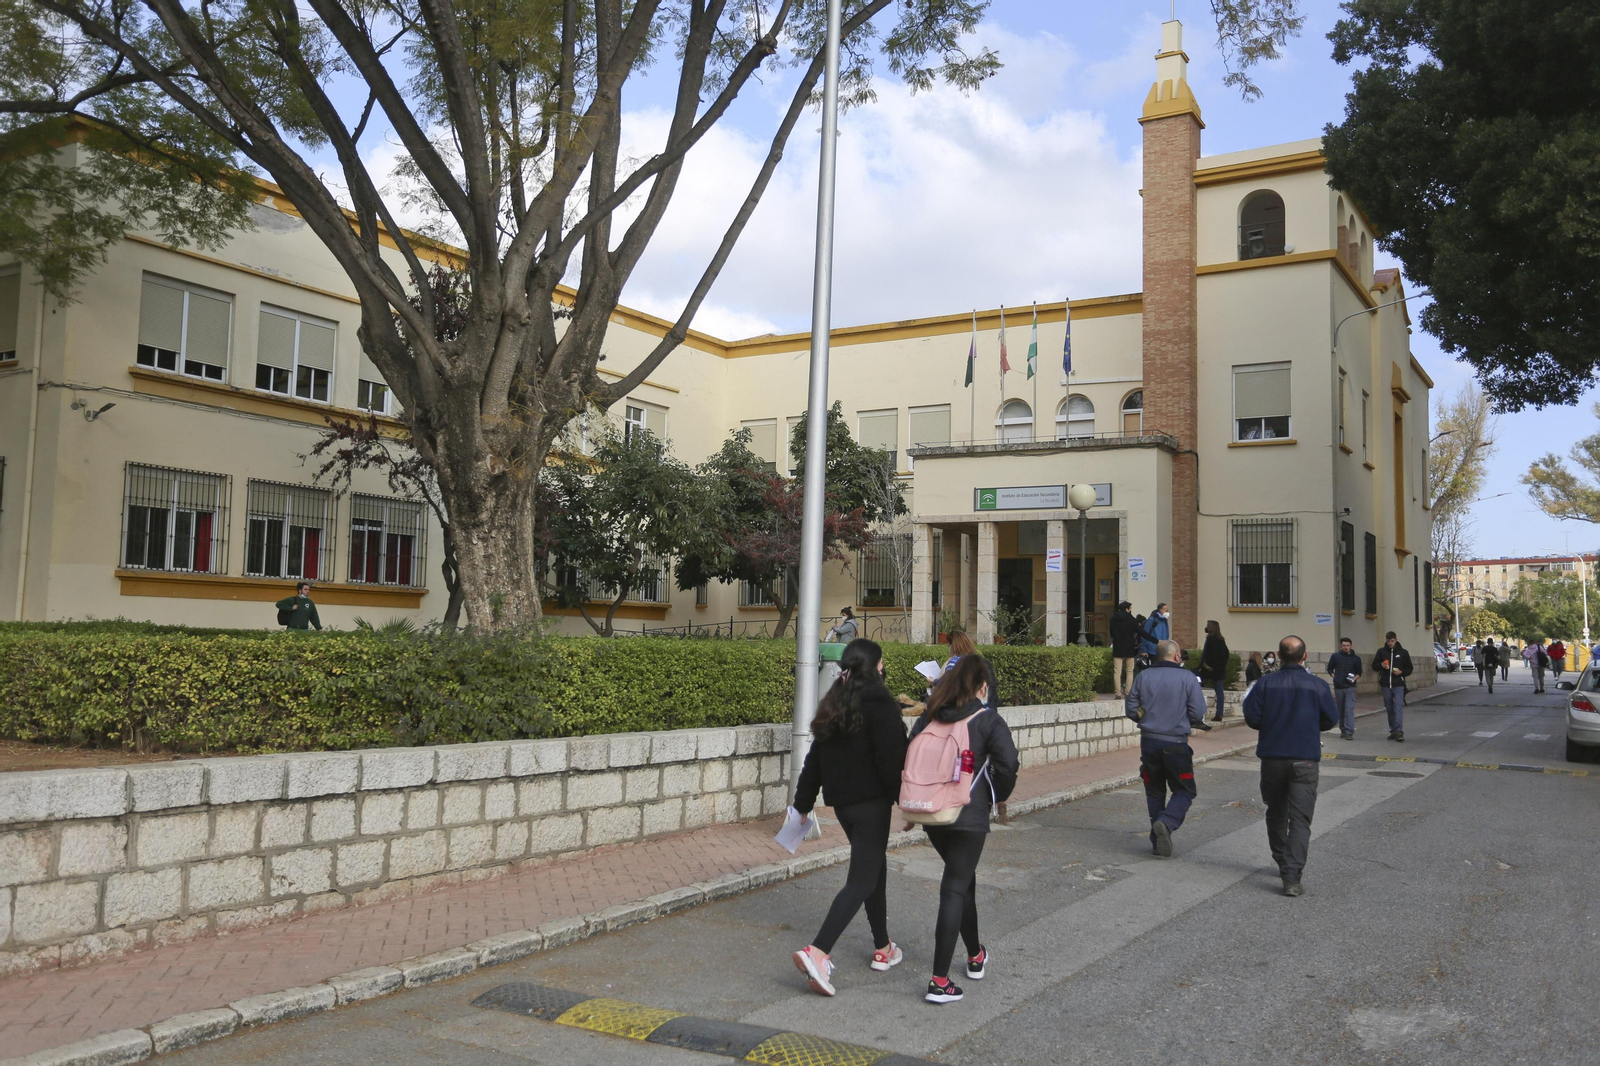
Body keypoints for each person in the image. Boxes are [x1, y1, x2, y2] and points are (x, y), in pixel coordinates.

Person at [791, 639, 909, 998]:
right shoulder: (881, 704)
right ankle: (818, 951)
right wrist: (906, 803)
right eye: (882, 663)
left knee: (873, 869)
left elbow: (814, 759)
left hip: (843, 806)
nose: (884, 669)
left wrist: (802, 803)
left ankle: (883, 947)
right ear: (875, 667)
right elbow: (892, 759)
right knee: (861, 879)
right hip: (872, 805)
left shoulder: (835, 702)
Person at [908, 654, 1019, 1005]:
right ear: (982, 687)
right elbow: (1009, 764)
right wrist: (995, 795)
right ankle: (939, 981)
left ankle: (975, 955)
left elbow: (908, 754)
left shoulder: (930, 715)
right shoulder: (988, 720)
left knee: (962, 881)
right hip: (968, 815)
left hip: (933, 815)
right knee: (955, 886)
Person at [1242, 635, 1338, 897]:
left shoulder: (1265, 683)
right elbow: (1331, 718)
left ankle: (1283, 860)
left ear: (1279, 656)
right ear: (1304, 656)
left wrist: (1272, 723)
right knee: (1300, 819)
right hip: (1305, 759)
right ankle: (1292, 876)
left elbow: (1252, 716)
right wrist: (1309, 724)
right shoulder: (1317, 685)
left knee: (1276, 813)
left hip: (1272, 757)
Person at [1125, 636, 1211, 859]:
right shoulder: (1187, 678)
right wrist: (1184, 720)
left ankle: (1157, 842)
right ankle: (1167, 821)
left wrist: (1146, 718)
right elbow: (1197, 712)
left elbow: (1131, 708)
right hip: (1176, 743)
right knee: (1184, 790)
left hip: (1149, 742)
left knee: (1154, 791)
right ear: (1176, 656)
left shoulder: (1143, 676)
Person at [941, 631, 999, 712]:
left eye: (949, 645)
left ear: (955, 645)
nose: (949, 648)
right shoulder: (959, 662)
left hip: (980, 710)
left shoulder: (977, 663)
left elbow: (990, 687)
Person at [1372, 632, 1413, 742]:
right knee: (1389, 708)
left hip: (1399, 684)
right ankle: (1393, 731)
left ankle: (1399, 731)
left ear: (1396, 640)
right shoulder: (1381, 652)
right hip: (1386, 685)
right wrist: (1381, 665)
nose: (1390, 643)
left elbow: (1409, 668)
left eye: (1392, 641)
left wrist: (1401, 672)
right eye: (1388, 641)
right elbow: (1374, 666)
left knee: (1398, 707)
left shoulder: (1403, 653)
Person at [1326, 637, 1363, 741]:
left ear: (1351, 646)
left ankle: (1349, 732)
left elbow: (1359, 672)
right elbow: (1329, 668)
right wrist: (1334, 676)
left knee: (1349, 709)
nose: (1346, 647)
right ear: (1341, 646)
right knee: (1340, 709)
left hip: (1350, 687)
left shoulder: (1356, 659)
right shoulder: (1335, 656)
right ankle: (1343, 729)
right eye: (1344, 645)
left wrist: (1354, 678)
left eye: (1347, 645)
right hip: (1339, 687)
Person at [1199, 620, 1230, 722]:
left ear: (1211, 628)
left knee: (1197, 687)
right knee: (1219, 692)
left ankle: (1197, 712)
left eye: (1207, 626)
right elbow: (1226, 655)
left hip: (1209, 669)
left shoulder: (1210, 639)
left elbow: (1206, 654)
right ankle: (1219, 714)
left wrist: (1202, 666)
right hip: (1219, 670)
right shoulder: (1221, 640)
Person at [1109, 601, 1140, 699]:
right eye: (1130, 608)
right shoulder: (1131, 619)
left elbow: (1111, 633)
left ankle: (1117, 693)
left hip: (1118, 648)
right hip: (1129, 648)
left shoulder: (1113, 619)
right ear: (1127, 609)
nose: (1131, 610)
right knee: (1129, 671)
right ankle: (1128, 692)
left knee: (1117, 672)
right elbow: (1139, 632)